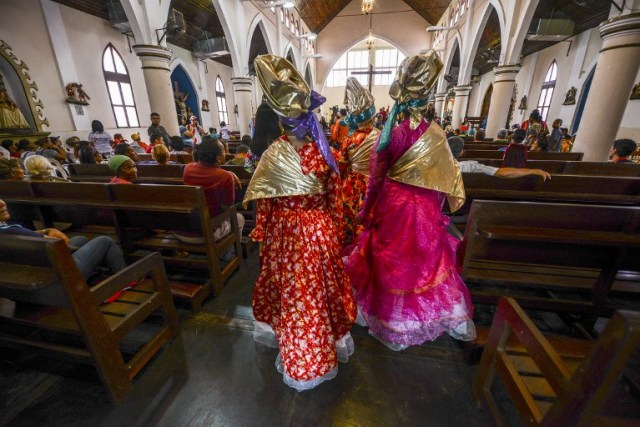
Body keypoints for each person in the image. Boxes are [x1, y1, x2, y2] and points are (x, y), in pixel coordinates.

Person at [344, 51, 474, 350]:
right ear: (428, 101)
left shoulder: (392, 136)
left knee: (390, 260)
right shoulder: (438, 135)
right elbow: (444, 179)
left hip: (394, 208)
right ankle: (419, 317)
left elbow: (375, 181)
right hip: (426, 209)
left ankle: (391, 317)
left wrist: (365, 213)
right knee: (421, 260)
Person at [244, 54, 356, 391]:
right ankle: (320, 348)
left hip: (284, 236)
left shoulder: (272, 154)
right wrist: (336, 232)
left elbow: (265, 205)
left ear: (280, 121)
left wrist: (263, 232)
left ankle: (298, 350)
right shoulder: (327, 153)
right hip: (318, 231)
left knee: (293, 295)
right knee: (317, 292)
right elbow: (334, 200)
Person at [0, 199, 126, 281]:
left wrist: (45, 231)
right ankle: (126, 281)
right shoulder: (11, 232)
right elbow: (54, 244)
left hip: (33, 272)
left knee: (79, 239)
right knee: (104, 241)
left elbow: (25, 235)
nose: (2, 203)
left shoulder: (5, 230)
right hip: (60, 277)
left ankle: (98, 273)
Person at [338, 77, 380, 247]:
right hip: (375, 186)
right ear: (372, 116)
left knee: (351, 219)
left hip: (352, 186)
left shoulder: (349, 140)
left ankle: (350, 251)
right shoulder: (381, 136)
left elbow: (342, 166)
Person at [183, 136, 244, 241]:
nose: (225, 153)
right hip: (207, 233)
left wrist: (228, 173)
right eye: (223, 151)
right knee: (239, 218)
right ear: (218, 157)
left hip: (184, 228)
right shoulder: (225, 176)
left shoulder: (188, 168)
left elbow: (208, 170)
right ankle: (228, 255)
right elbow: (227, 209)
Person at [447, 137, 551, 179]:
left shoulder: (433, 166)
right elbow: (502, 173)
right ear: (461, 153)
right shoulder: (470, 166)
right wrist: (531, 171)